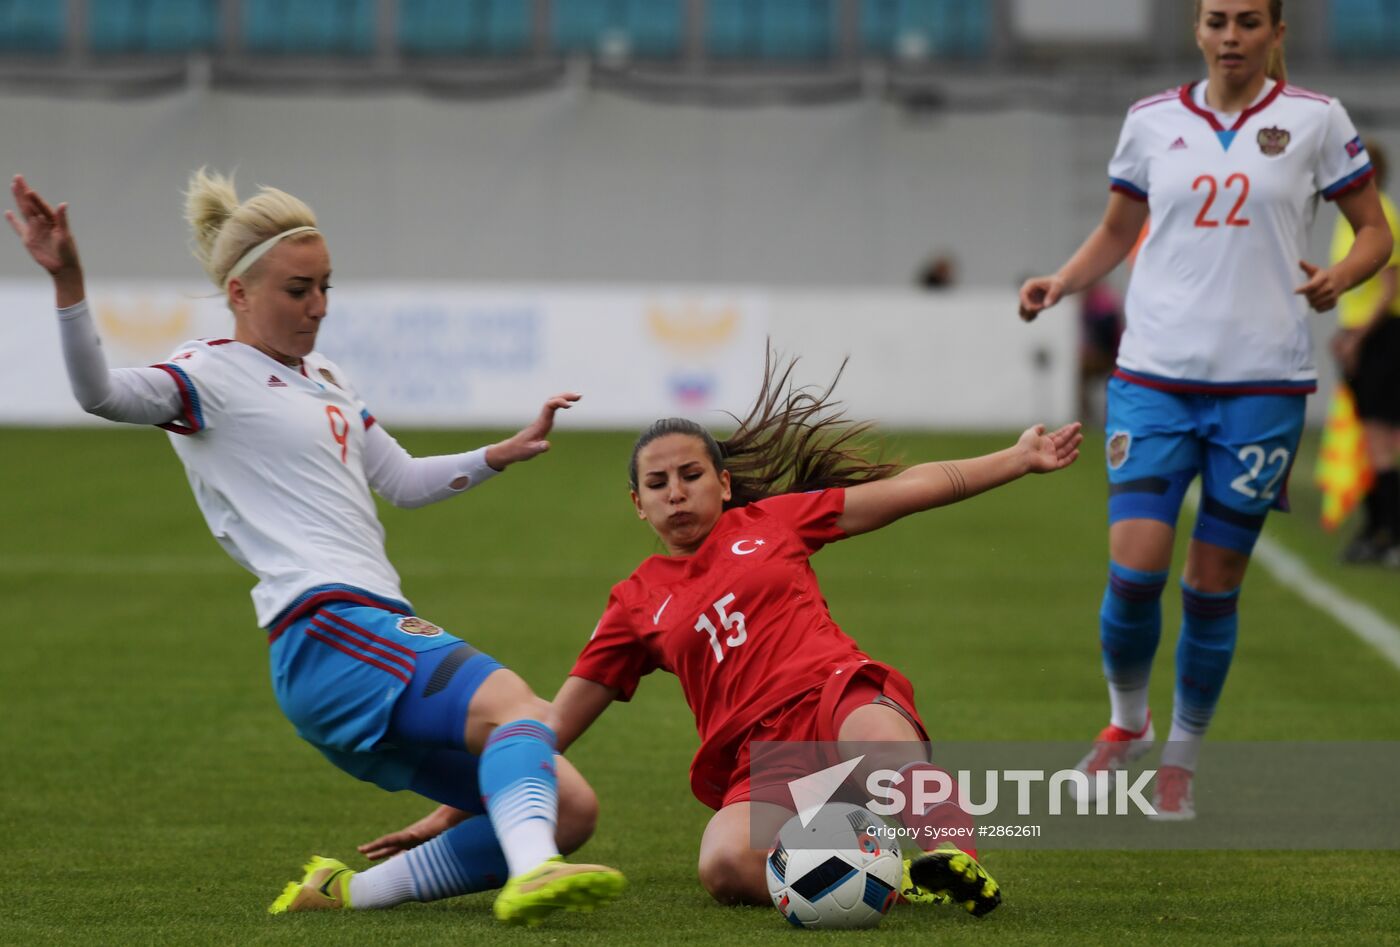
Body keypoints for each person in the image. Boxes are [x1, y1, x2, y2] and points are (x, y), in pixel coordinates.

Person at [5, 171, 625, 925]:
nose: (319, 307)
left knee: (569, 804)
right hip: (327, 627)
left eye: (326, 286)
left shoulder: (326, 378)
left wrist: (500, 451)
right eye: (299, 289)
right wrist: (68, 279)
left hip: (362, 640)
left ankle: (343, 891)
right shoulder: (207, 374)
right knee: (515, 705)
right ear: (239, 291)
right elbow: (98, 393)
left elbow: (399, 478)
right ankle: (533, 873)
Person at [361, 352, 1084, 913]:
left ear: (724, 483)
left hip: (834, 697)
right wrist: (455, 808)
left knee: (877, 738)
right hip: (759, 757)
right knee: (723, 865)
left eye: (690, 474)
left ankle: (954, 856)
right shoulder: (634, 602)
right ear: (638, 504)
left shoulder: (775, 522)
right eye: (658, 482)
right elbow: (550, 725)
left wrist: (1018, 459)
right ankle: (882, 877)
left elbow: (910, 490)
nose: (676, 491)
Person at [1016, 0, 1393, 820]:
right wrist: (1064, 280)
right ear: (1197, 29)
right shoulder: (1150, 121)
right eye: (1217, 19)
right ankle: (1127, 726)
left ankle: (1181, 755)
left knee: (1212, 583)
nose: (1231, 36)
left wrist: (1343, 277)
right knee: (1135, 572)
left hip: (1262, 388)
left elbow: (1372, 231)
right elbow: (1119, 228)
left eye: (1249, 22)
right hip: (1153, 379)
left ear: (1275, 34)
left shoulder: (1316, 120)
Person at [1330, 140, 1400, 566]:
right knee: (1366, 437)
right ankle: (1376, 529)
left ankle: (1389, 533)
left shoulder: (1383, 216)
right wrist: (1344, 333)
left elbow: (1389, 288)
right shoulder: (1348, 222)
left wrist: (1359, 337)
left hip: (1384, 335)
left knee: (1380, 438)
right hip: (1359, 335)